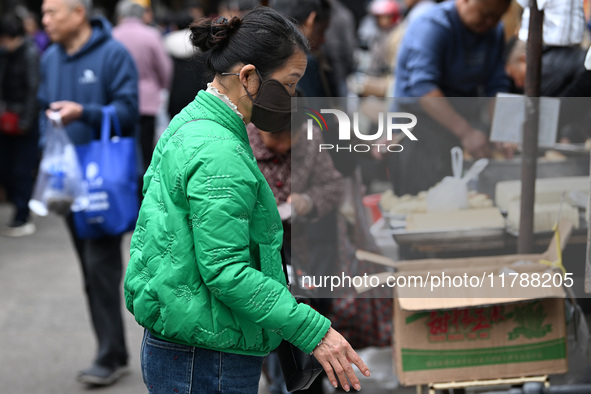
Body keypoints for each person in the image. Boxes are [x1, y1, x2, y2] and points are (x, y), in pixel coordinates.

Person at [124, 7, 370, 393]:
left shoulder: (190, 121)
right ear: (249, 77)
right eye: (289, 84)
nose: (292, 98)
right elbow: (225, 270)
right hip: (207, 354)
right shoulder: (220, 150)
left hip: (190, 339)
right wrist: (315, 331)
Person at [38, 0, 139, 386]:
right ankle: (112, 350)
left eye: (52, 12)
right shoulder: (49, 59)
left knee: (100, 266)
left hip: (101, 181)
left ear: (78, 12)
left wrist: (85, 112)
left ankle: (110, 354)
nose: (45, 20)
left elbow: (129, 113)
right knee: (89, 269)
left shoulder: (114, 53)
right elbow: (44, 109)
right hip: (66, 180)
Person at [388, 0, 511, 196]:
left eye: (497, 16)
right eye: (485, 13)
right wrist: (466, 132)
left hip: (458, 126)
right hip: (417, 129)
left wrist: (503, 130)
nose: (490, 21)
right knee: (420, 202)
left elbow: (496, 86)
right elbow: (424, 88)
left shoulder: (494, 32)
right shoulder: (433, 26)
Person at [113, 0, 172, 177]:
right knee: (146, 152)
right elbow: (165, 69)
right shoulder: (151, 34)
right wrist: (161, 87)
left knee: (121, 149)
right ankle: (143, 193)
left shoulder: (112, 35)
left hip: (118, 102)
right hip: (148, 101)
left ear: (120, 15)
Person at [0, 12, 40, 237]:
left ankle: (22, 214)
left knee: (22, 170)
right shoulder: (6, 56)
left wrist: (25, 121)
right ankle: (19, 209)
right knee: (6, 168)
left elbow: (33, 90)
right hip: (6, 119)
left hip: (24, 122)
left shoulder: (30, 53)